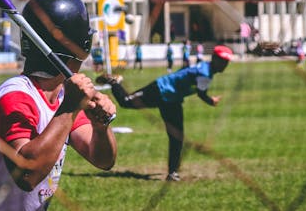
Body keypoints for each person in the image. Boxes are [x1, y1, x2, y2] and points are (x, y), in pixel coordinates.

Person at [0, 0, 117, 210]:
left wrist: (101, 127)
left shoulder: (64, 97)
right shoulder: (16, 98)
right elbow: (27, 174)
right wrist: (69, 109)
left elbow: (102, 160)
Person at [96, 45, 233, 182]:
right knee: (125, 101)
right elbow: (201, 94)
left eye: (226, 62)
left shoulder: (203, 66)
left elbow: (186, 73)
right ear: (214, 58)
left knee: (177, 136)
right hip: (160, 90)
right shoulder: (205, 74)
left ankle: (173, 172)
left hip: (172, 99)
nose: (224, 64)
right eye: (222, 60)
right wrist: (211, 101)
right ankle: (114, 82)